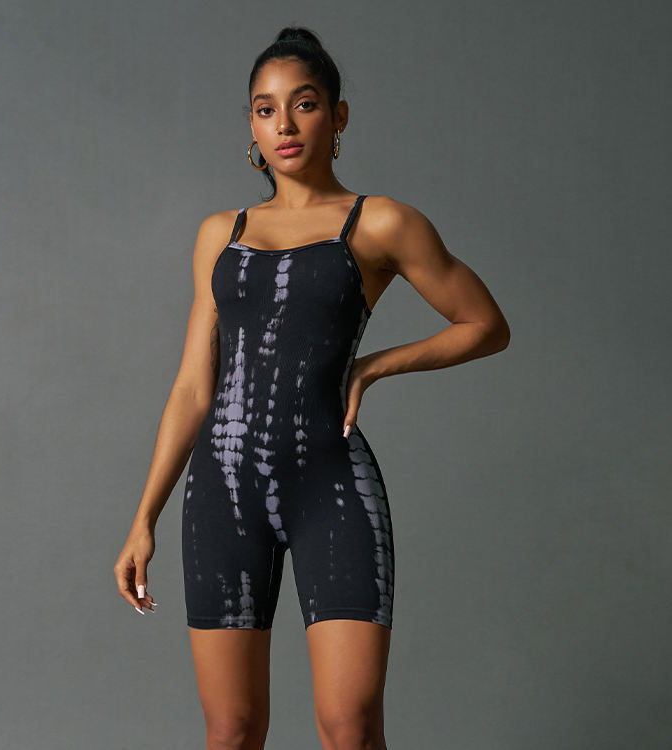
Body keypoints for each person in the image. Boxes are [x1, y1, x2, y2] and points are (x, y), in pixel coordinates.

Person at [114, 25, 510, 750]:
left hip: (332, 483)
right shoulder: (220, 232)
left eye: (304, 104)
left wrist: (377, 364)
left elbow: (486, 325)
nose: (285, 125)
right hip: (222, 490)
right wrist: (144, 518)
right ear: (252, 127)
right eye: (265, 110)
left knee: (350, 728)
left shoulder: (380, 222)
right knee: (232, 731)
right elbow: (193, 387)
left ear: (338, 115)